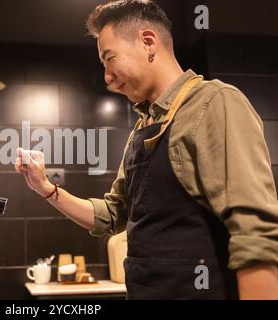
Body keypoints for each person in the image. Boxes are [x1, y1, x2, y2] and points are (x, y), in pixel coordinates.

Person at [15, 0, 278, 299]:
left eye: (110, 58)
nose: (107, 77)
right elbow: (112, 214)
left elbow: (255, 232)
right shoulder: (142, 129)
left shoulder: (214, 102)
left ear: (148, 41)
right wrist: (46, 188)